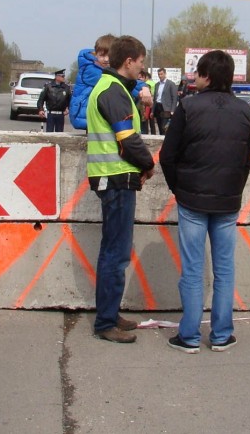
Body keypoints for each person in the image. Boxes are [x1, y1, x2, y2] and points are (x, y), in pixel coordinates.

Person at [160, 50, 250, 353]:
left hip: (192, 200)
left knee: (193, 269)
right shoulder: (243, 110)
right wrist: (234, 189)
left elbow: (167, 156)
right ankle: (222, 334)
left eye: (198, 74)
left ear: (207, 77)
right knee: (224, 269)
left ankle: (188, 336)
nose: (195, 79)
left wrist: (179, 188)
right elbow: (246, 160)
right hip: (228, 201)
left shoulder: (188, 107)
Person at [86, 35, 155, 343]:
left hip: (113, 177)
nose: (143, 68)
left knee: (113, 251)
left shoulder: (112, 88)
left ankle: (110, 314)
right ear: (129, 61)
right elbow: (127, 138)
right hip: (115, 178)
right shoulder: (113, 91)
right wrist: (149, 164)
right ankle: (105, 323)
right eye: (141, 62)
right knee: (115, 253)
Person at [152, 67, 179, 134]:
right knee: (159, 125)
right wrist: (152, 111)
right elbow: (155, 98)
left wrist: (172, 110)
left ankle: (165, 141)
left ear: (165, 74)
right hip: (158, 106)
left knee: (164, 127)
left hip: (166, 108)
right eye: (159, 74)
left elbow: (174, 97)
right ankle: (161, 139)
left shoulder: (171, 84)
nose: (160, 76)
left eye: (161, 74)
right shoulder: (157, 84)